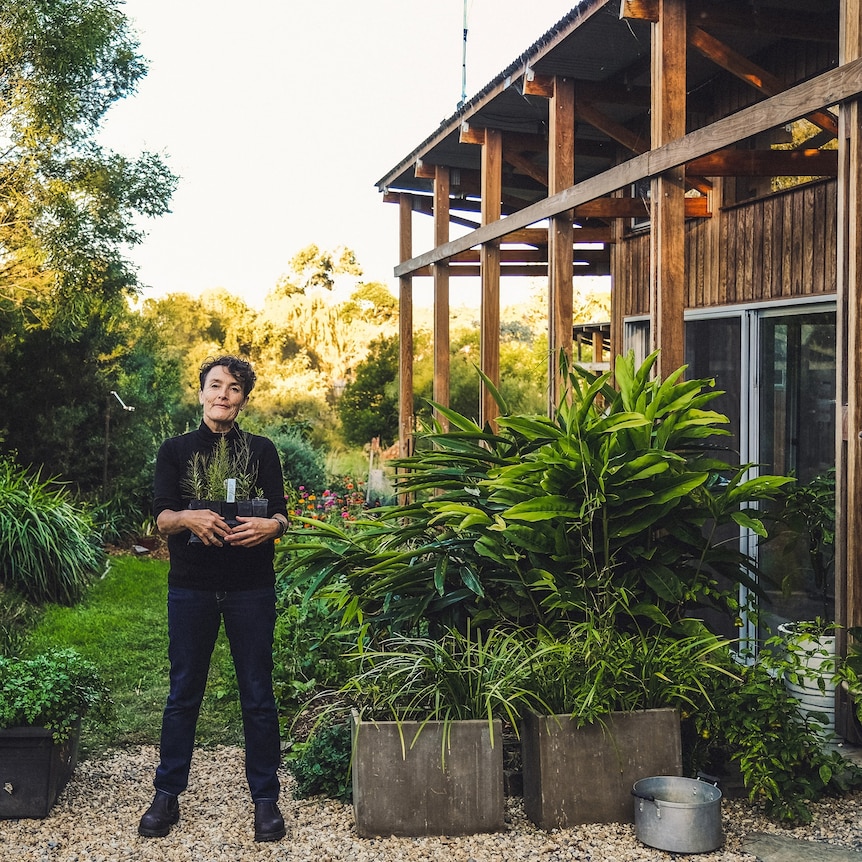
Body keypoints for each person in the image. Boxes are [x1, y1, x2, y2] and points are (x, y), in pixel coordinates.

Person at [138, 355, 289, 842]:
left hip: (251, 588)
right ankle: (166, 795)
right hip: (192, 588)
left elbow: (282, 515)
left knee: (258, 695)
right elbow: (161, 518)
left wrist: (273, 526)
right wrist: (188, 518)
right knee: (184, 693)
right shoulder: (175, 450)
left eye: (234, 388)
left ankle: (266, 801)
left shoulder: (263, 450)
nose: (224, 395)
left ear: (244, 398)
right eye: (215, 386)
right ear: (200, 392)